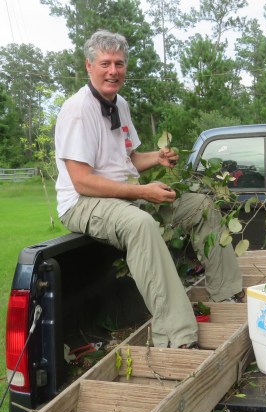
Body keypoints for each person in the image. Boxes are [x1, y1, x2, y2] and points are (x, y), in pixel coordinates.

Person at [54, 30, 244, 349]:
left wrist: (157, 157)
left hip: (123, 196)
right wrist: (142, 193)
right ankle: (175, 335)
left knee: (200, 205)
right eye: (105, 63)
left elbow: (128, 160)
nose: (113, 70)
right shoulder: (78, 110)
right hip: (83, 202)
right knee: (140, 224)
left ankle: (227, 293)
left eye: (119, 63)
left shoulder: (120, 105)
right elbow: (81, 180)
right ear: (89, 66)